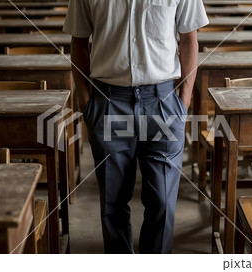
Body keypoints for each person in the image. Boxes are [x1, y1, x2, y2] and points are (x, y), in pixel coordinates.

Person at [63, 0, 208, 254]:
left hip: (162, 102)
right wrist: (87, 103)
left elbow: (189, 40)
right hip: (109, 102)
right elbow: (78, 42)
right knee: (113, 204)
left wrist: (182, 103)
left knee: (162, 203)